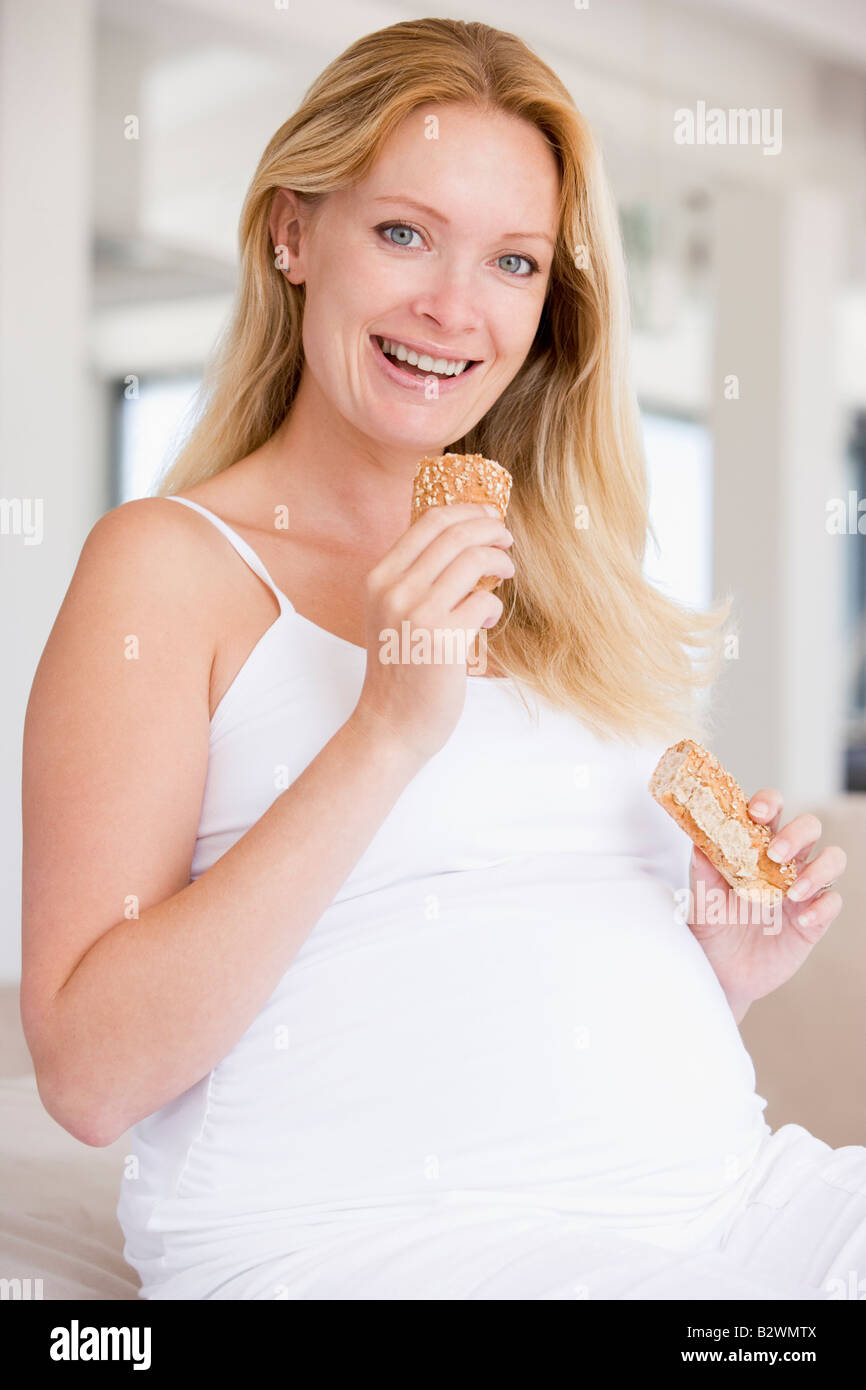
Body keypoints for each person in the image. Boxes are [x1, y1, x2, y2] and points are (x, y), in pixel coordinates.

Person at [21, 18, 859, 1301]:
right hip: (378, 1250)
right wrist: (386, 730)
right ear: (293, 234)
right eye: (403, 232)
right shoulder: (167, 567)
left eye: (513, 262)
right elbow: (86, 1073)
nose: (452, 309)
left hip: (730, 1206)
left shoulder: (563, 570)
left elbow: (498, 966)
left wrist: (714, 965)